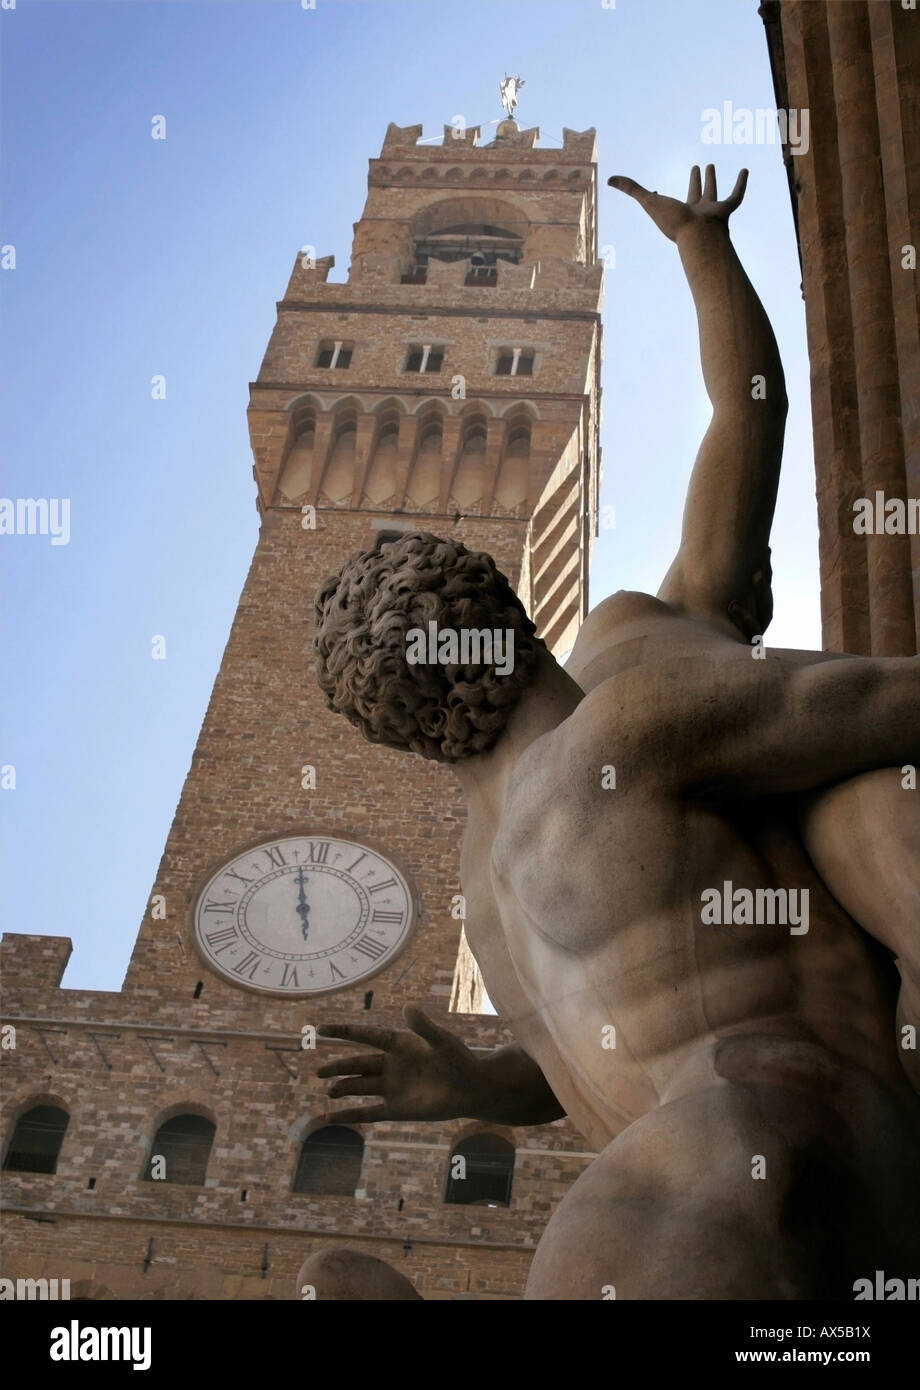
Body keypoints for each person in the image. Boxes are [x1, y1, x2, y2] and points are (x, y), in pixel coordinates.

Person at [313, 167, 920, 1299]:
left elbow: (594, 1040)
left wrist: (484, 1085)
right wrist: (701, 252)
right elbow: (750, 415)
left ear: (397, 734)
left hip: (663, 1175)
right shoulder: (632, 704)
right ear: (498, 598)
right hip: (789, 1123)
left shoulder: (485, 895)